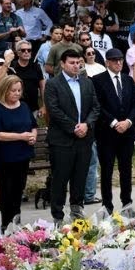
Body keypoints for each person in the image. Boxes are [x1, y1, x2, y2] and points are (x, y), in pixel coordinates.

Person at [43, 48, 99, 225]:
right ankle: (57, 215)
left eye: (78, 63)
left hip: (84, 138)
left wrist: (87, 125)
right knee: (60, 178)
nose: (76, 66)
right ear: (62, 64)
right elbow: (54, 110)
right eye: (72, 63)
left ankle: (77, 209)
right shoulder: (53, 84)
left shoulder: (87, 83)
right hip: (62, 139)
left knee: (80, 176)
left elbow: (95, 107)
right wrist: (73, 127)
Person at [91, 48, 135, 214]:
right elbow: (97, 105)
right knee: (107, 170)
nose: (118, 63)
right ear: (107, 62)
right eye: (114, 60)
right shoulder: (97, 80)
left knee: (126, 169)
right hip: (107, 133)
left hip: (127, 132)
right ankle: (107, 206)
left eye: (120, 60)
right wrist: (113, 122)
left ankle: (127, 204)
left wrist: (128, 122)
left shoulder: (128, 80)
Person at [0, 76, 37, 230]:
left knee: (19, 187)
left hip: (22, 154)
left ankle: (16, 219)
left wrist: (33, 136)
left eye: (19, 90)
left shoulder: (24, 106)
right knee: (6, 188)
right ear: (5, 90)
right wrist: (21, 136)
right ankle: (6, 221)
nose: (17, 93)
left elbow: (33, 126)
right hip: (4, 155)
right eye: (13, 91)